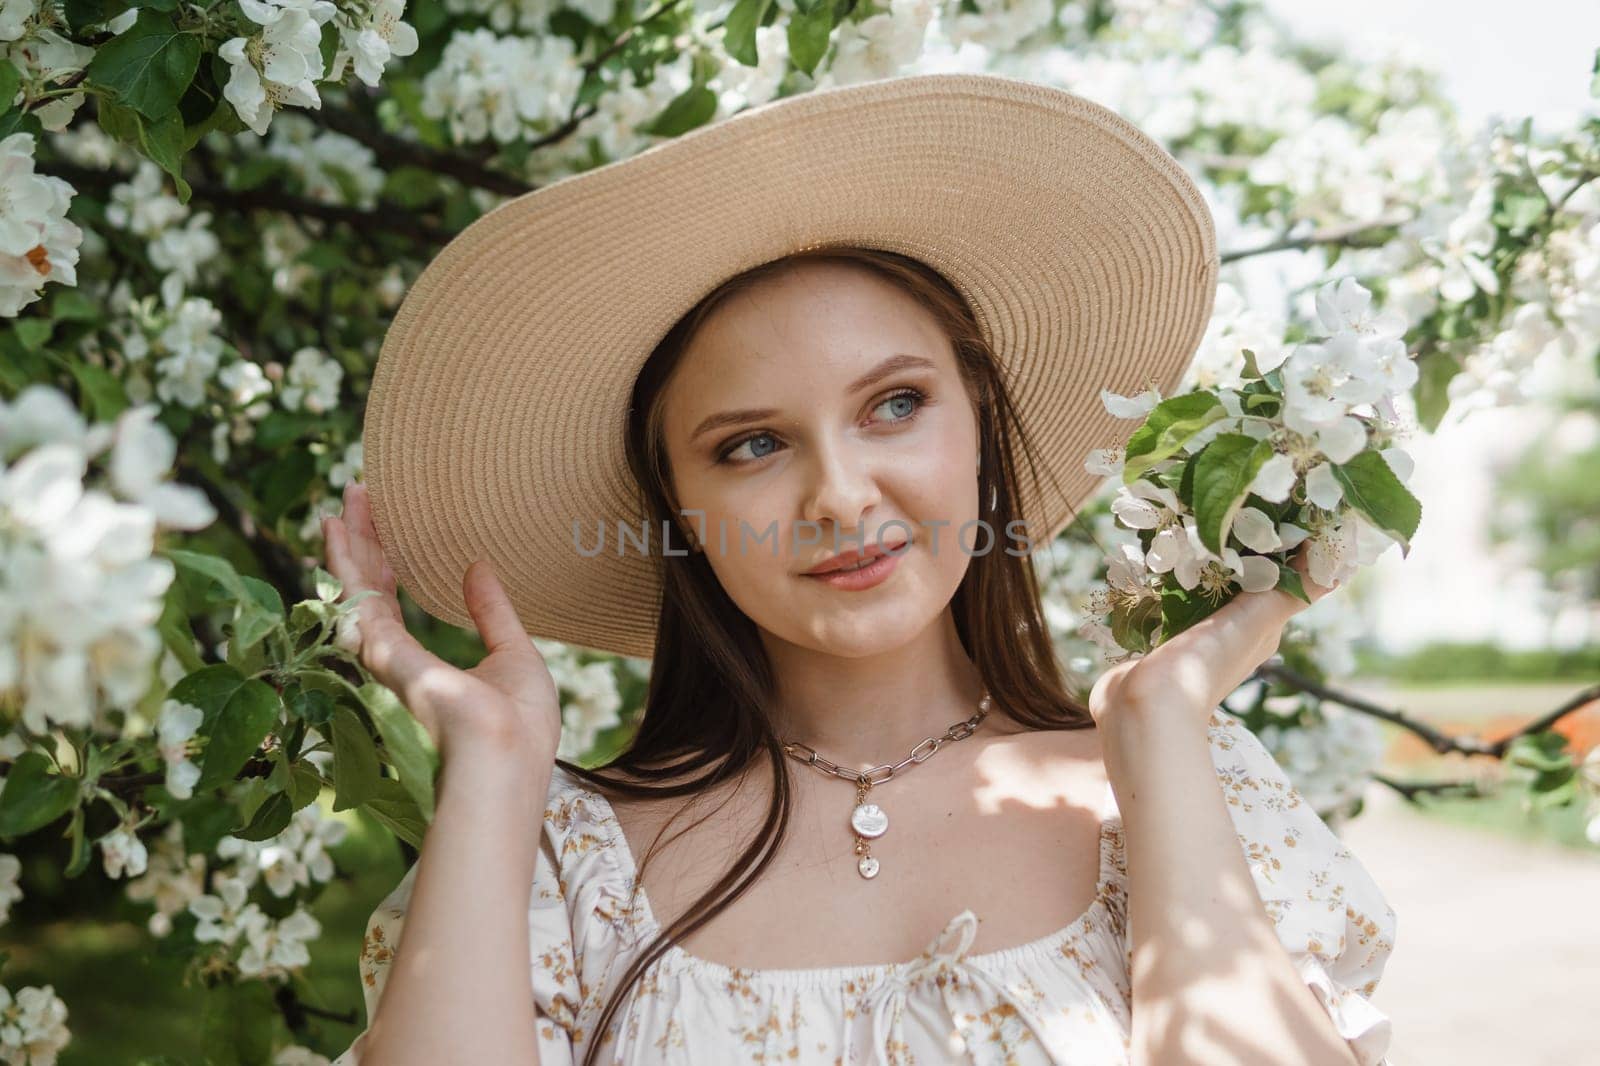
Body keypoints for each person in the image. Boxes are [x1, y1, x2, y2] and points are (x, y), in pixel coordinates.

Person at [322, 74, 1397, 1065]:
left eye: (894, 404)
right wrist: (495, 769)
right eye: (751, 444)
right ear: (677, 510)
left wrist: (1158, 724)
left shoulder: (1181, 788)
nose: (838, 494)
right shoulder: (556, 862)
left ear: (980, 423)